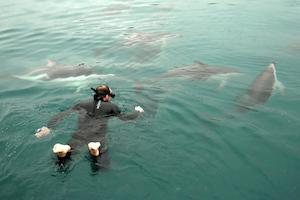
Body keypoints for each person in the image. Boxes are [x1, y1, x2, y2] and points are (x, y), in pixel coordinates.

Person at [35, 84, 144, 169]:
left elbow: (63, 114)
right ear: (106, 96)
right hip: (98, 136)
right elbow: (125, 117)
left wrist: (48, 127)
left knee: (64, 158)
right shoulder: (112, 107)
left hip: (79, 135)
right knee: (102, 163)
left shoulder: (82, 103)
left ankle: (64, 150)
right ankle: (94, 149)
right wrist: (137, 112)